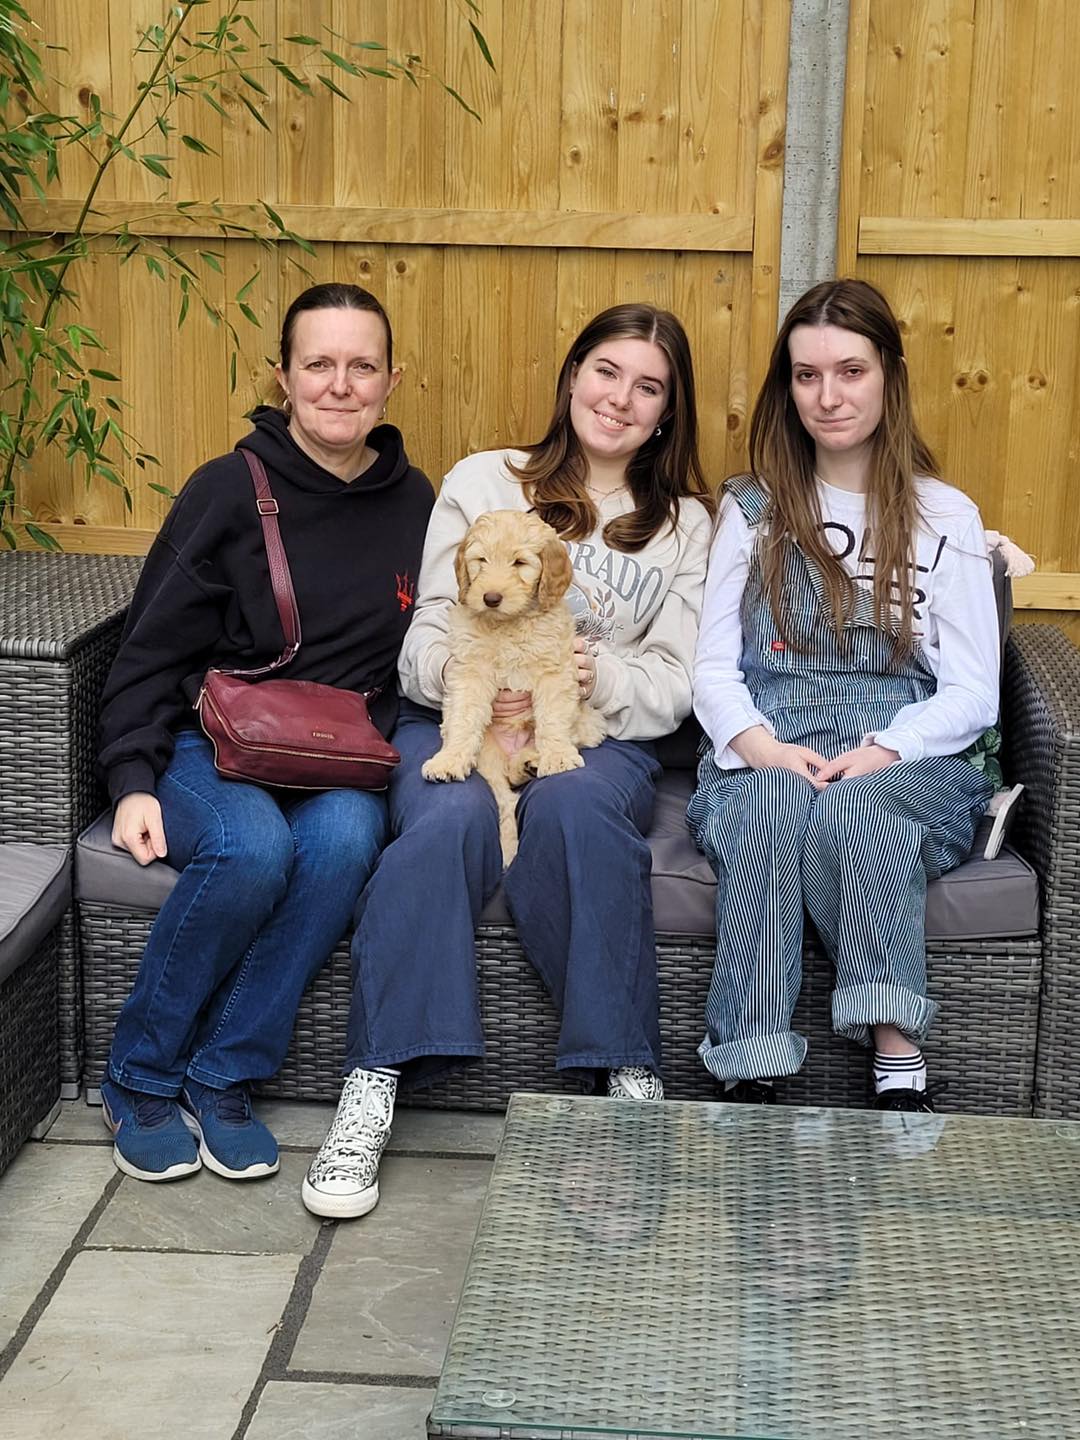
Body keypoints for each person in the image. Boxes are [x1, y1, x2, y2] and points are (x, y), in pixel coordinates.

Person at [302, 302, 715, 1219]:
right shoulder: (484, 478)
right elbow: (422, 643)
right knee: (443, 817)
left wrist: (587, 670)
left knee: (574, 812)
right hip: (459, 717)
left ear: (667, 410)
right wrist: (481, 676)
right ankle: (371, 1082)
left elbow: (679, 680)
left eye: (648, 387)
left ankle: (623, 1074)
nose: (620, 399)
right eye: (606, 372)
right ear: (572, 376)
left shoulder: (685, 524)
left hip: (596, 730)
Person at [97, 283, 434, 1183]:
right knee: (249, 850)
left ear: (393, 381)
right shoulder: (229, 490)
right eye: (317, 363)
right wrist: (133, 779)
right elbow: (146, 650)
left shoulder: (417, 504)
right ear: (282, 376)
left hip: (339, 757)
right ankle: (139, 1075)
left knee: (343, 843)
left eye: (361, 365)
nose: (339, 384)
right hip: (214, 744)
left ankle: (223, 1076)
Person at [688, 277, 1000, 1111]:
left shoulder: (945, 516)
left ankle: (898, 1061)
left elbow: (974, 689)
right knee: (770, 808)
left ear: (890, 376)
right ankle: (749, 1065)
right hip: (770, 738)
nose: (828, 397)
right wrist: (759, 747)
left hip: (909, 748)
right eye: (806, 376)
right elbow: (714, 667)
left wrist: (886, 750)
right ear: (786, 389)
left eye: (850, 371)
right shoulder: (752, 508)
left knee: (859, 811)